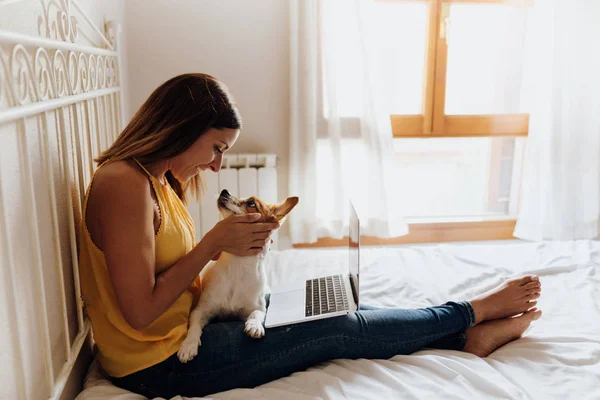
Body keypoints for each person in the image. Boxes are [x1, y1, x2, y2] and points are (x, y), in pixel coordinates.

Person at [79, 73, 543, 399]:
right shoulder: (124, 184)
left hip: (191, 328)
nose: (218, 165)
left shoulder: (157, 179)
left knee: (342, 307)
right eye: (217, 147)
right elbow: (139, 312)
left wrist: (246, 271)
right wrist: (214, 244)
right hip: (158, 365)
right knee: (338, 327)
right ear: (182, 127)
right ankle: (471, 312)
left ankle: (462, 339)